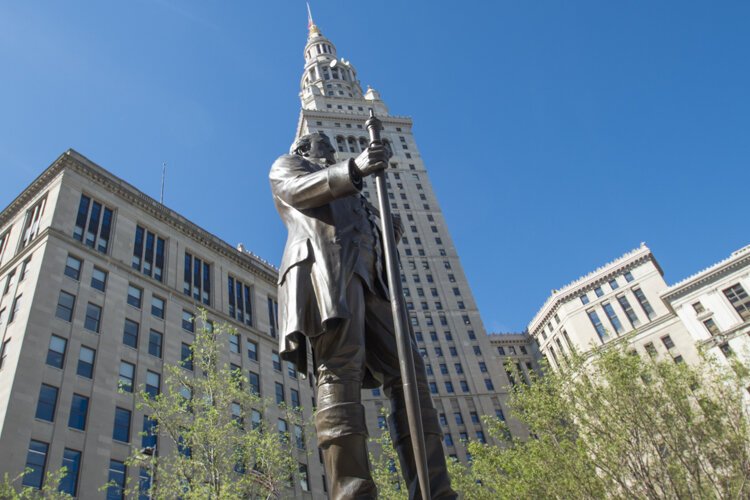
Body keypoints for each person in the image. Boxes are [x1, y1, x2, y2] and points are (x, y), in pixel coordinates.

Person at [269, 132, 456, 499]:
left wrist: (388, 223)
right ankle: (353, 492)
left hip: (374, 281)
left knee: (409, 377)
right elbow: (297, 190)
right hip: (327, 271)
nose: (334, 151)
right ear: (304, 148)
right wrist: (355, 167)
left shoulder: (357, 194)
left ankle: (434, 491)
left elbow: (379, 231)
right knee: (340, 369)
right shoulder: (288, 164)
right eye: (326, 145)